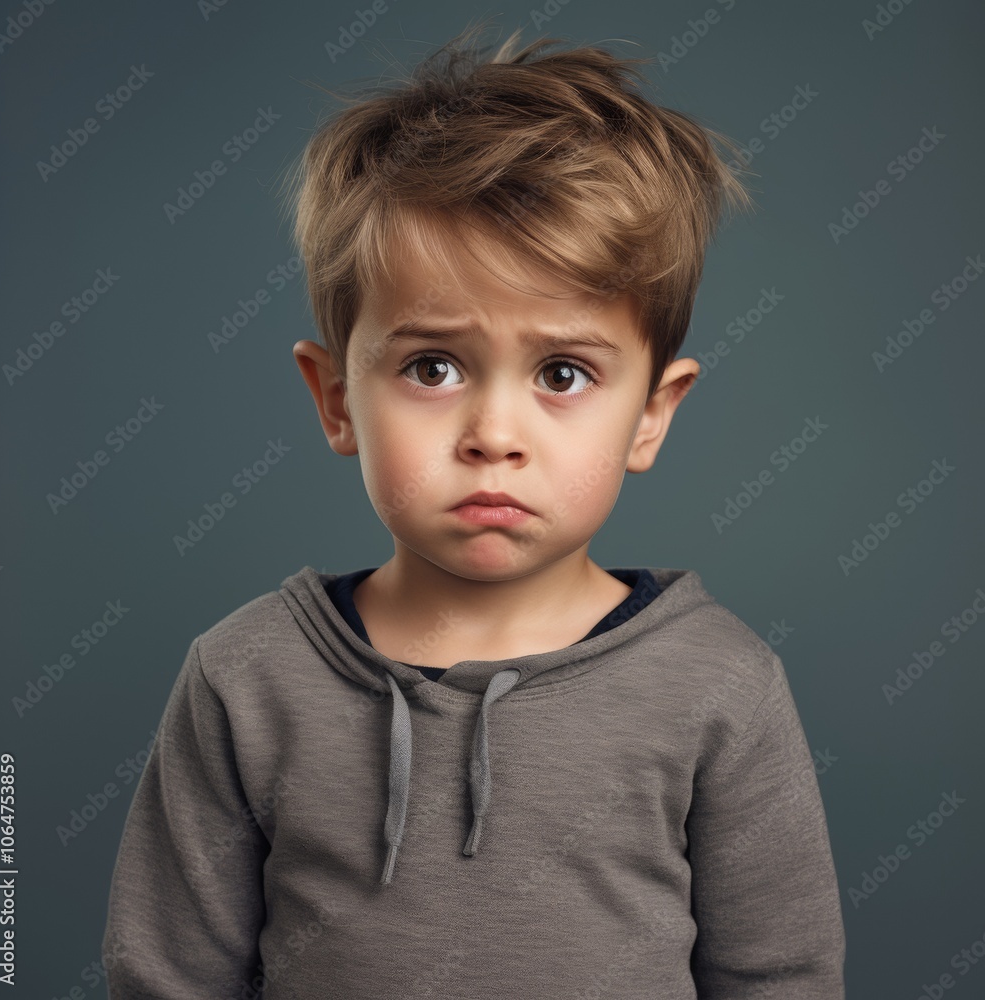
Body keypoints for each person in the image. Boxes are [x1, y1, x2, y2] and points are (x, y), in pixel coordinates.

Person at [102, 23, 846, 999]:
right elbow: (167, 980)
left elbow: (781, 979)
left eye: (563, 372)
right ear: (335, 400)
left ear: (651, 416)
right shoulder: (244, 678)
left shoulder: (723, 687)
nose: (494, 431)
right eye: (432, 367)